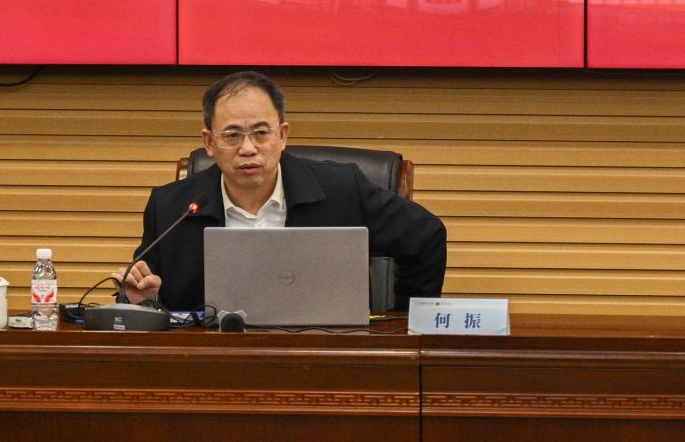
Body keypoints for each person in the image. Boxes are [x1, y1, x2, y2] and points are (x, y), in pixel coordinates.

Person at [116, 71, 446, 311]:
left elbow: (426, 235)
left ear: (283, 135)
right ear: (209, 143)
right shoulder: (172, 208)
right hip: (214, 366)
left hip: (324, 360)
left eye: (261, 133)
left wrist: (404, 322)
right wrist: (143, 301)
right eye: (232, 135)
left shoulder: (342, 190)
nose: (248, 148)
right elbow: (142, 292)